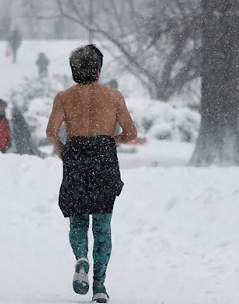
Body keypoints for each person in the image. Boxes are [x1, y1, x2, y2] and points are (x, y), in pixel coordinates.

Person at [46, 44, 137, 304]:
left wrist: (64, 152)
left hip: (75, 156)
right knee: (102, 225)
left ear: (74, 70)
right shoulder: (114, 96)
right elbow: (131, 133)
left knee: (78, 220)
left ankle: (81, 259)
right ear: (98, 69)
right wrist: (112, 141)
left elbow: (51, 132)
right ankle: (99, 285)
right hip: (104, 159)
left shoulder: (63, 97)